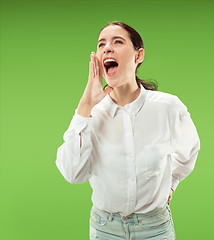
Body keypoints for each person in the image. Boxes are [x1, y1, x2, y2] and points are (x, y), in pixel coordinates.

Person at [55, 21, 200, 240]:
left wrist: (172, 183)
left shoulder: (168, 107)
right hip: (105, 228)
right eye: (102, 44)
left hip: (156, 228)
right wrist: (85, 106)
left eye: (118, 42)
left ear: (138, 55)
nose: (107, 48)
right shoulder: (90, 116)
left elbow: (189, 151)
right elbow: (73, 174)